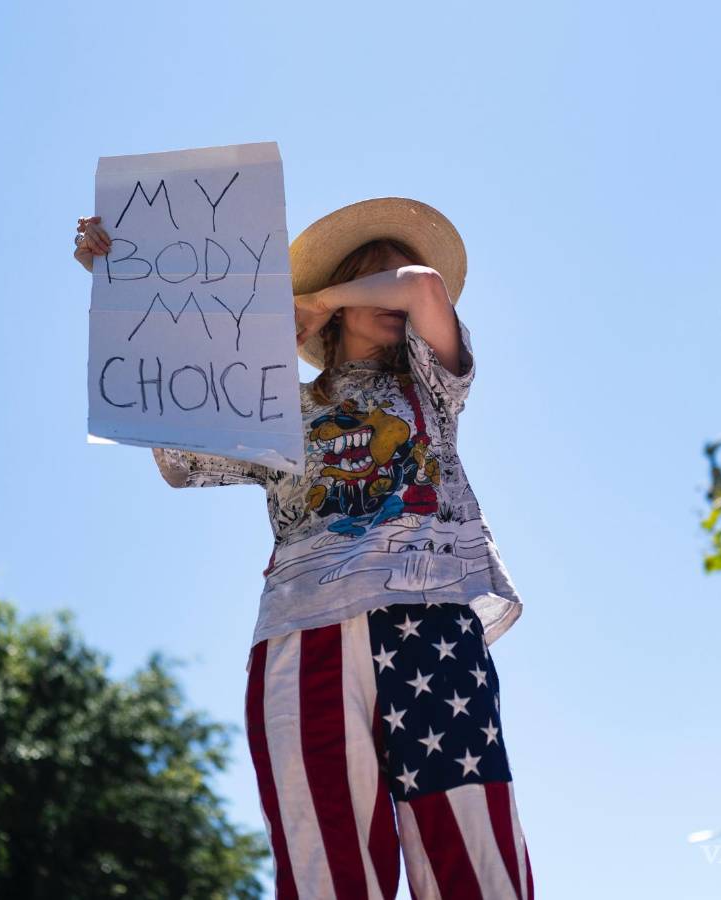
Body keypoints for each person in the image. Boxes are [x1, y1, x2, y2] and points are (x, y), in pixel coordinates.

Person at [74, 197, 534, 899]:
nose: (393, 292)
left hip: (430, 621)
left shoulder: (432, 388)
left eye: (385, 282)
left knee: (475, 856)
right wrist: (120, 281)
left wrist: (315, 297)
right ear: (345, 308)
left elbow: (424, 287)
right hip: (302, 636)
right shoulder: (278, 407)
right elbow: (173, 454)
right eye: (368, 279)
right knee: (326, 870)